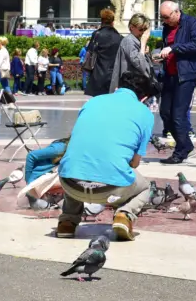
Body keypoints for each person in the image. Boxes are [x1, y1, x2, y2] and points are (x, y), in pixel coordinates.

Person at [55, 71, 158, 241]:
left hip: (69, 183)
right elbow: (135, 163)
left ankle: (67, 222)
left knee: (76, 166)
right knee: (146, 188)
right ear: (144, 98)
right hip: (110, 188)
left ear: (117, 88)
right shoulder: (145, 113)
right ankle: (124, 215)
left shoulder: (93, 102)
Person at [157, 0, 196, 165]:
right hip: (170, 74)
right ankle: (187, 146)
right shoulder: (167, 27)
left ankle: (180, 152)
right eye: (162, 18)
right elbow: (167, 47)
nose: (164, 21)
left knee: (178, 114)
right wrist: (162, 57)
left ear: (176, 12)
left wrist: (174, 48)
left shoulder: (192, 23)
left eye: (166, 17)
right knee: (165, 112)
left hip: (186, 75)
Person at [84, 8, 124, 96]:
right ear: (112, 22)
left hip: (97, 74)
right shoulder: (119, 37)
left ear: (101, 21)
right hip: (113, 75)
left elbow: (90, 50)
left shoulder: (97, 34)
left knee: (98, 100)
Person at [109, 13, 153, 89]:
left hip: (136, 85)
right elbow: (140, 66)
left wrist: (146, 52)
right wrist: (143, 46)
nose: (143, 32)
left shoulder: (135, 40)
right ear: (132, 27)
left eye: (145, 29)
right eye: (141, 29)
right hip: (131, 86)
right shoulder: (129, 41)